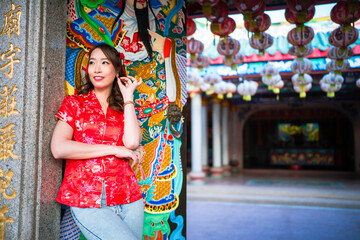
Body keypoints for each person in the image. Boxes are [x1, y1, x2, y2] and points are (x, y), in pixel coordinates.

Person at [51, 43, 144, 240]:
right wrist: (113, 149)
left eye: (104, 62)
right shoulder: (75, 104)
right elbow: (58, 148)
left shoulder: (124, 109)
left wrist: (128, 98)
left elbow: (132, 143)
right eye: (92, 63)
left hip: (129, 198)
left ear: (117, 69)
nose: (97, 69)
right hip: (85, 198)